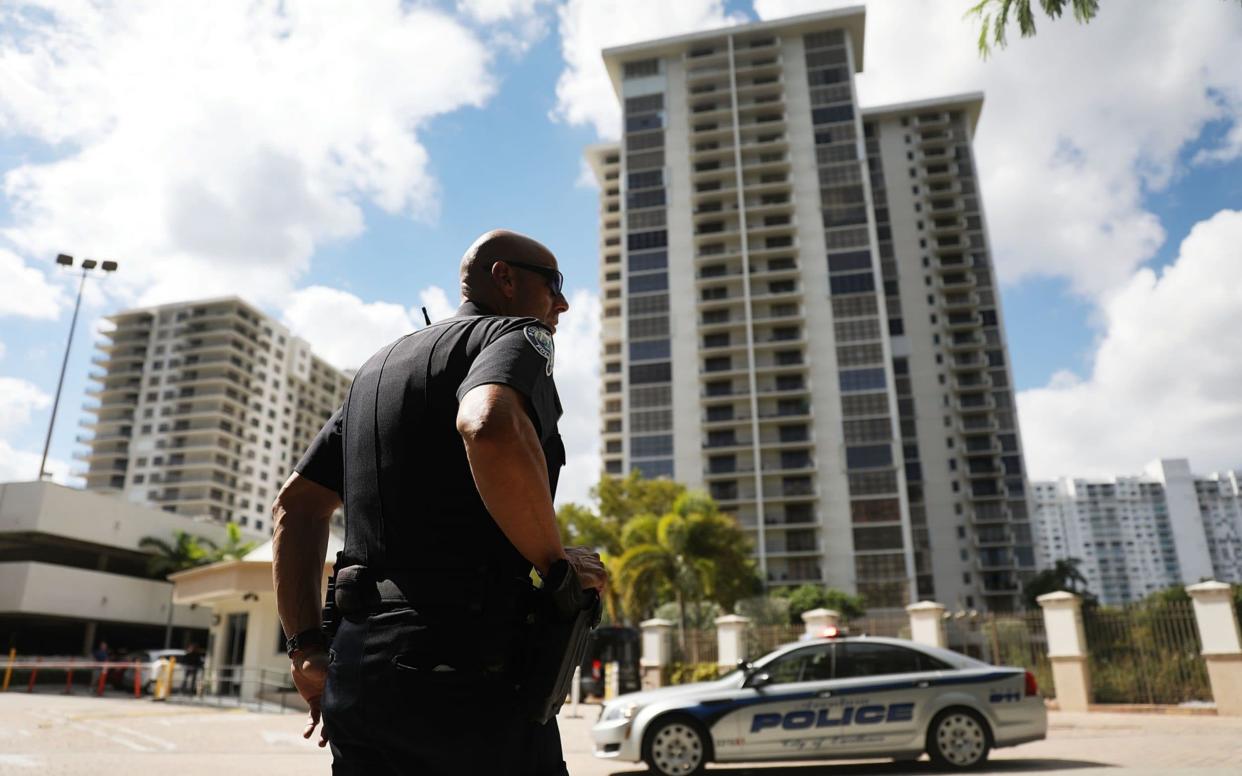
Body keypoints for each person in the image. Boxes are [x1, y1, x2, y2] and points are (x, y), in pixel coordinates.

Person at [271, 229, 607, 776]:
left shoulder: (377, 370)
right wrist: (557, 566)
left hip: (359, 670)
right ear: (506, 278)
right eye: (554, 285)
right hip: (468, 667)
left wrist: (306, 648)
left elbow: (298, 505)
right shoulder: (519, 334)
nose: (562, 304)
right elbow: (488, 424)